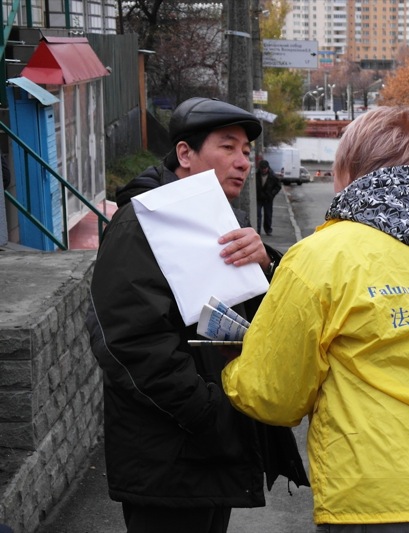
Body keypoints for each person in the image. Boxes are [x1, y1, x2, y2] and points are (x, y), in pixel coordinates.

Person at [222, 106, 409, 531]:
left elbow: (274, 395)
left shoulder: (320, 256)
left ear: (346, 171)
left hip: (381, 496)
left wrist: (230, 369)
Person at [85, 97, 308, 533]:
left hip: (209, 449)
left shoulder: (219, 221)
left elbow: (261, 319)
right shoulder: (142, 222)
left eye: (246, 151)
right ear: (184, 154)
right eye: (227, 147)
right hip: (171, 453)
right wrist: (212, 414)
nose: (242, 161)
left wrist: (269, 263)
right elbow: (128, 342)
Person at [256, 159, 282, 235]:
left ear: (268, 168)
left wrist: (272, 194)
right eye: (262, 168)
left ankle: (268, 229)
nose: (263, 170)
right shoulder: (256, 175)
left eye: (265, 168)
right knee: (258, 214)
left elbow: (278, 186)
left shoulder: (272, 176)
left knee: (268, 215)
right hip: (259, 198)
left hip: (268, 198)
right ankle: (258, 230)